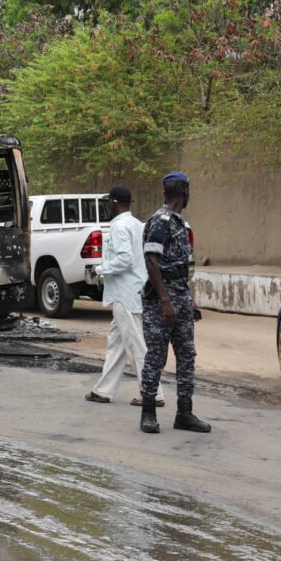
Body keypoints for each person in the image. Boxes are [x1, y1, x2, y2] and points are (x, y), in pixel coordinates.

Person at [139, 172, 211, 434]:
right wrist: (166, 301)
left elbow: (179, 268)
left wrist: (188, 300)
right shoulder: (161, 221)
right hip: (162, 300)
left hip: (180, 295)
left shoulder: (180, 223)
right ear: (184, 192)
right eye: (189, 191)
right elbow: (152, 261)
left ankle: (185, 413)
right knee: (157, 356)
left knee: (187, 356)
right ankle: (148, 413)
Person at [84, 186, 165, 407]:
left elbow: (124, 260)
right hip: (133, 291)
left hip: (125, 294)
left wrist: (99, 269)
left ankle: (153, 393)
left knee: (136, 344)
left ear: (114, 202)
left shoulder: (119, 226)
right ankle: (103, 390)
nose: (107, 205)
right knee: (117, 343)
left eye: (108, 202)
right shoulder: (137, 225)